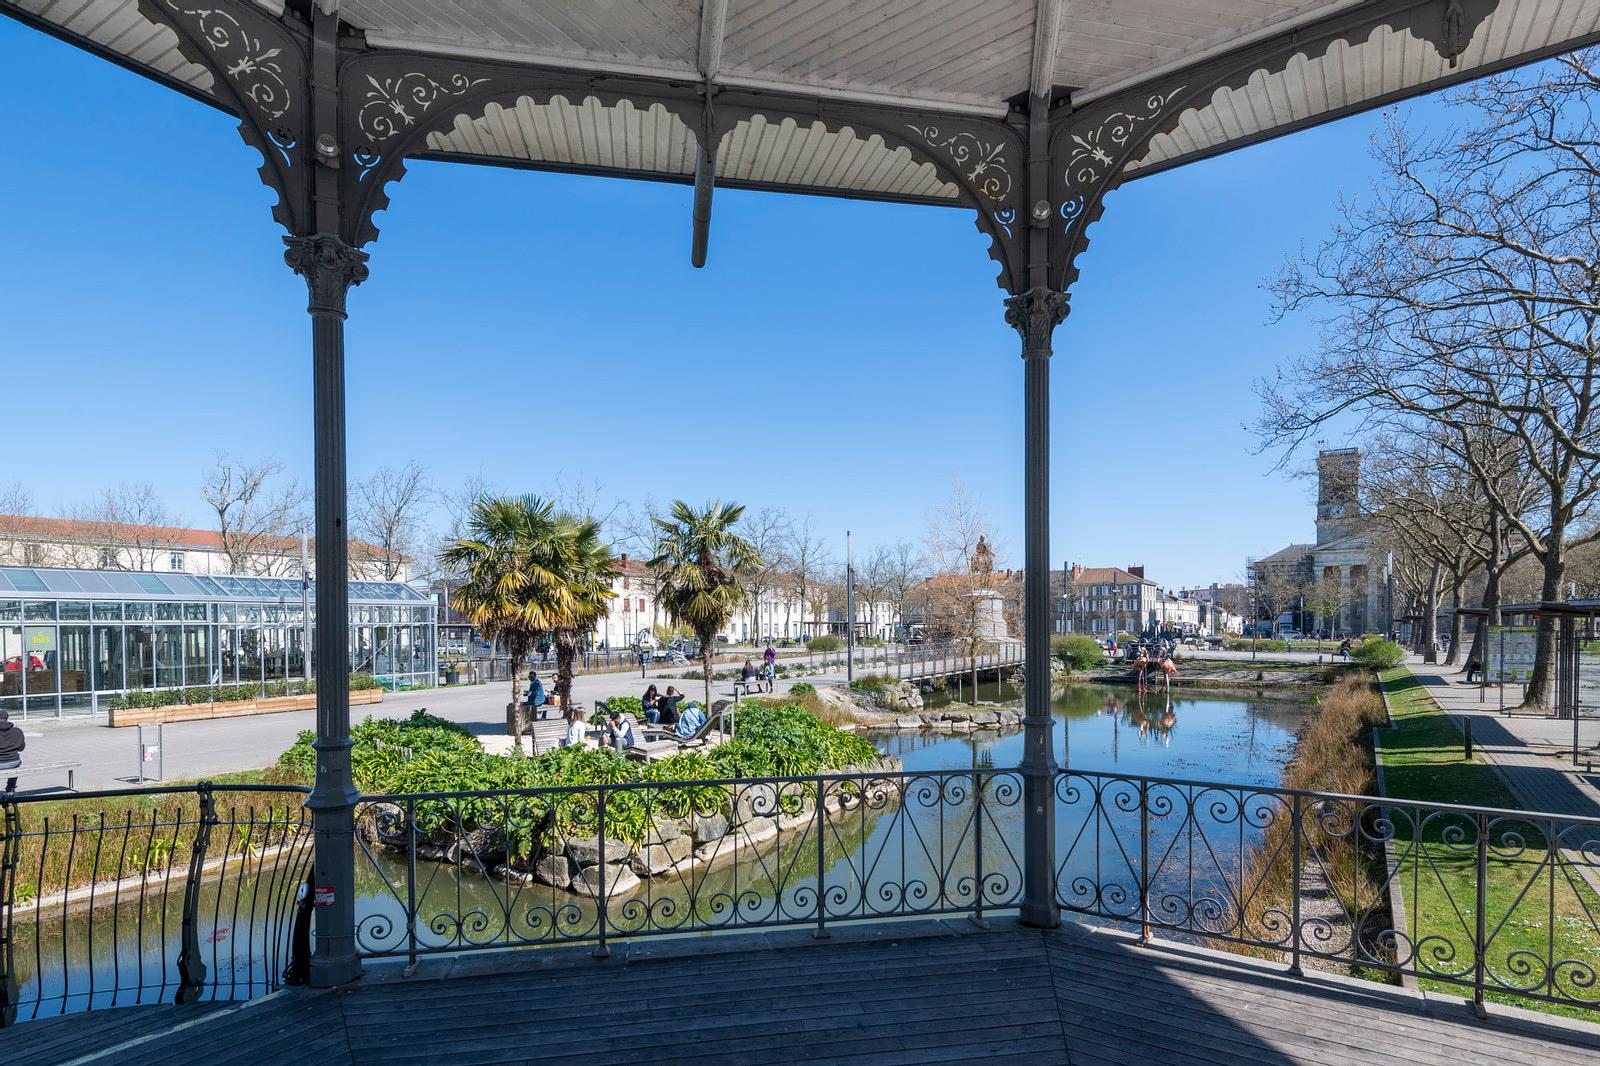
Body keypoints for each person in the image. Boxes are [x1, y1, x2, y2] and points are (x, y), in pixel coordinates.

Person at [0, 708, 24, 773]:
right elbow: (21, 748)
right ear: (7, 718)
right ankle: (12, 780)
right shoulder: (17, 731)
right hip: (14, 762)